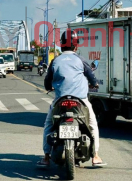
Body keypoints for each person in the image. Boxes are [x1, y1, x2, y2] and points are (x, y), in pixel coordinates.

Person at [38, 30, 106, 168]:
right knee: (92, 124)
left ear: (62, 45)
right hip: (80, 101)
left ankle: (46, 157)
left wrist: (49, 87)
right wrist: (95, 84)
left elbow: (47, 83)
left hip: (59, 100)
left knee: (48, 125)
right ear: (76, 46)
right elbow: (92, 77)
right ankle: (96, 156)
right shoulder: (81, 60)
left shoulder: (55, 61)